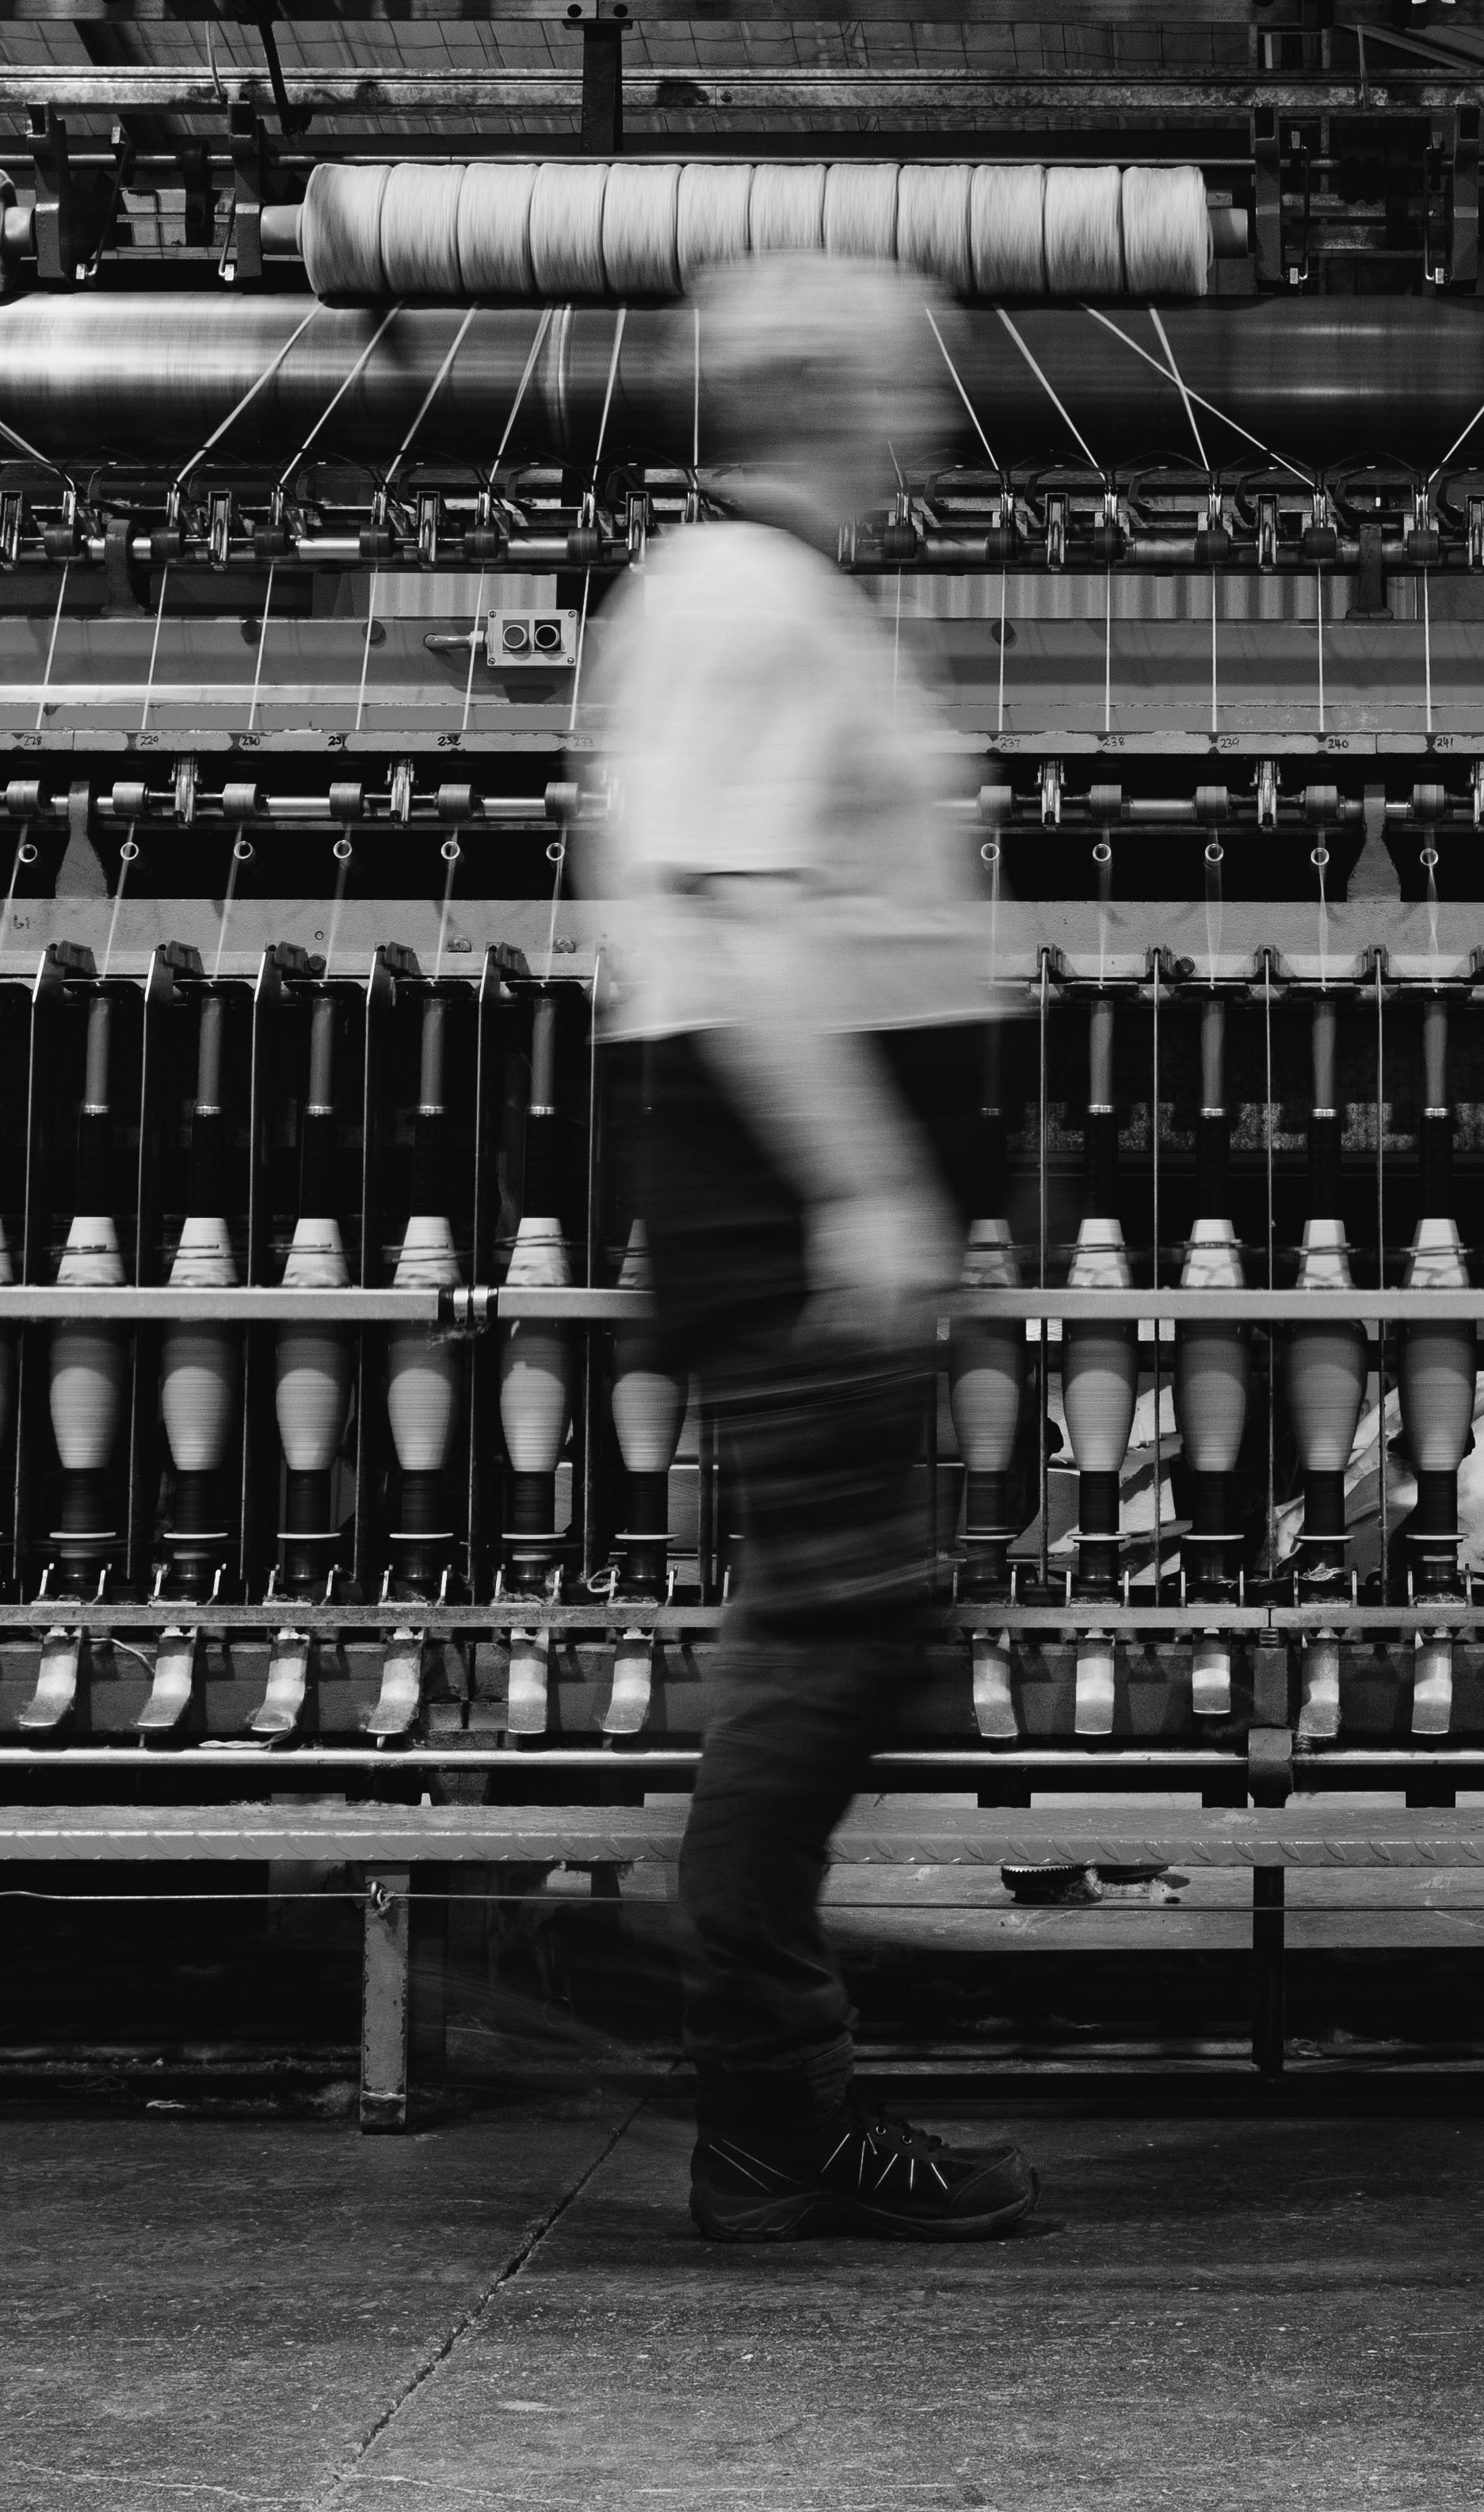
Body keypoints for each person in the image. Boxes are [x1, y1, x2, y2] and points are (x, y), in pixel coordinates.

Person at [583, 253, 1038, 2243]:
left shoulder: (777, 595)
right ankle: (758, 2095)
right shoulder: (742, 600)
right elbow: (745, 921)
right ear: (817, 401)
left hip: (796, 1192)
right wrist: (864, 1183)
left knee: (841, 1632)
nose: (925, 415)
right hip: (782, 1199)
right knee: (840, 1641)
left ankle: (759, 2076)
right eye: (899, 384)